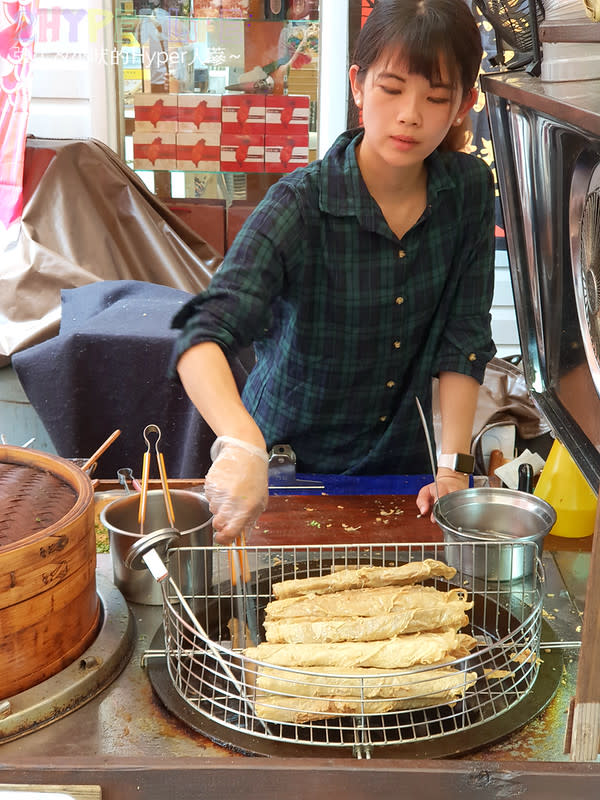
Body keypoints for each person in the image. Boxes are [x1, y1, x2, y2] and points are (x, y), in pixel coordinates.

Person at [171, 0, 496, 545]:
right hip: (284, 470)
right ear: (357, 85)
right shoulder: (300, 206)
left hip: (401, 475)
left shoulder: (466, 192)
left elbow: (464, 338)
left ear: (463, 104)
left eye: (435, 97)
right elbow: (200, 333)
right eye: (391, 88)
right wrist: (241, 443)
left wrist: (452, 468)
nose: (410, 114)